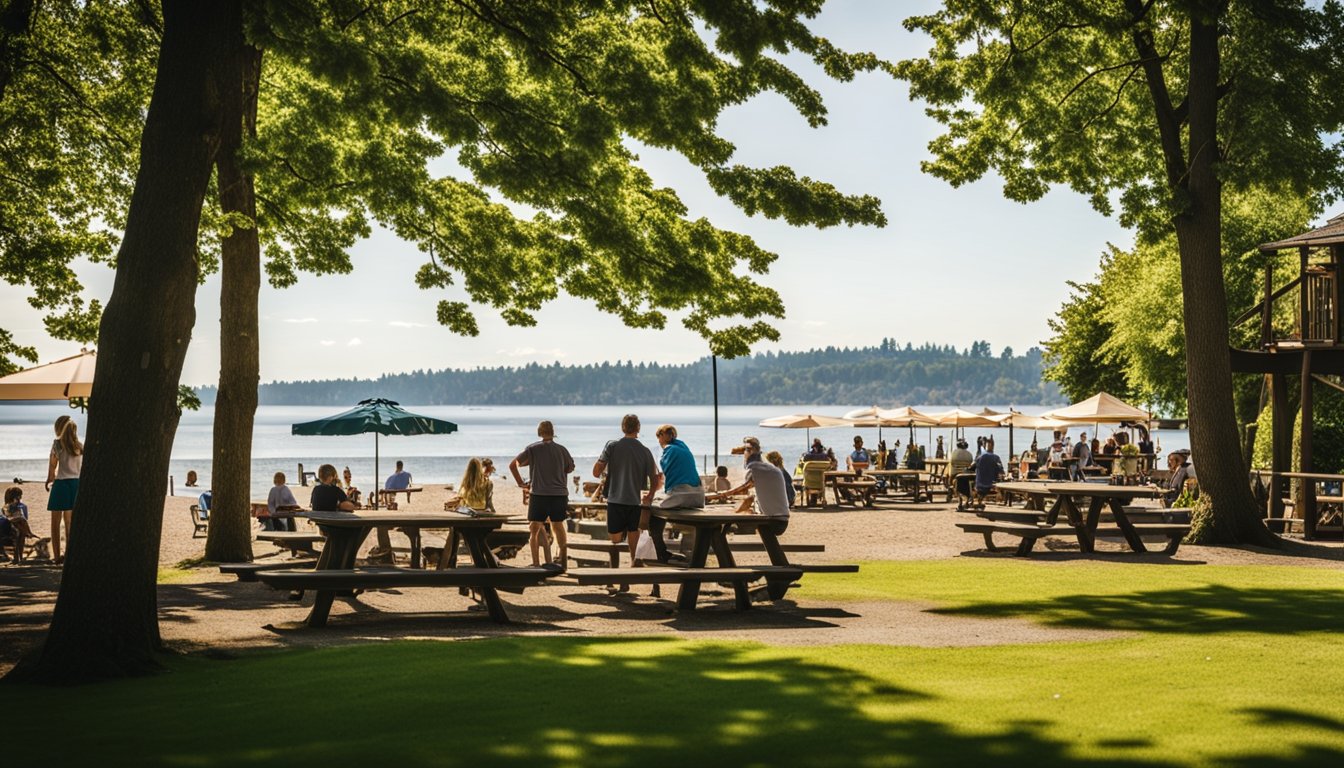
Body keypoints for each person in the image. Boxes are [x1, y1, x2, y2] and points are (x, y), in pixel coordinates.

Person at [592, 414, 659, 569]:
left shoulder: (612, 446)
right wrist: (650, 496)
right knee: (633, 536)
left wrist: (603, 460)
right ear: (638, 428)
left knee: (614, 540)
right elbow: (655, 478)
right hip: (634, 502)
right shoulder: (645, 451)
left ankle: (616, 573)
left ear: (623, 428)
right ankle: (632, 565)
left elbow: (596, 472)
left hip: (615, 500)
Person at [510, 420, 574, 571]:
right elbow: (570, 468)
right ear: (553, 433)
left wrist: (521, 483)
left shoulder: (532, 449)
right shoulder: (562, 450)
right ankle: (563, 562)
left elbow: (513, 465)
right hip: (559, 494)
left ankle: (536, 563)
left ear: (539, 432)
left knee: (534, 528)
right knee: (558, 527)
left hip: (539, 494)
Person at [645, 424, 706, 563]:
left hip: (681, 495)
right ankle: (663, 551)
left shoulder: (668, 449)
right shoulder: (683, 446)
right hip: (698, 495)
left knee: (653, 512)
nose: (659, 441)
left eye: (659, 437)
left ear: (664, 435)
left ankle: (660, 552)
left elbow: (665, 470)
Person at [717, 440, 790, 535]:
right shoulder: (772, 469)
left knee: (730, 527)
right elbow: (751, 498)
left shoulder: (754, 469)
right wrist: (737, 511)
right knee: (745, 515)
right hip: (783, 519)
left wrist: (718, 497)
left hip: (772, 520)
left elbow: (738, 490)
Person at [45, 415, 82, 565]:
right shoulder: (79, 445)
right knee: (69, 523)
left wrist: (49, 479)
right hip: (76, 485)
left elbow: (53, 467)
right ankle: (69, 555)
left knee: (55, 523)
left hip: (61, 485)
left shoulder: (57, 444)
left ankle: (56, 556)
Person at [2, 486, 39, 563]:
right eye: (19, 496)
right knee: (20, 528)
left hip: (16, 525)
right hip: (7, 526)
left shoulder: (21, 506)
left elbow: (23, 517)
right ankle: (29, 533)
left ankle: (19, 557)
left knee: (20, 528)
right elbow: (8, 517)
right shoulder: (7, 506)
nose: (20, 498)